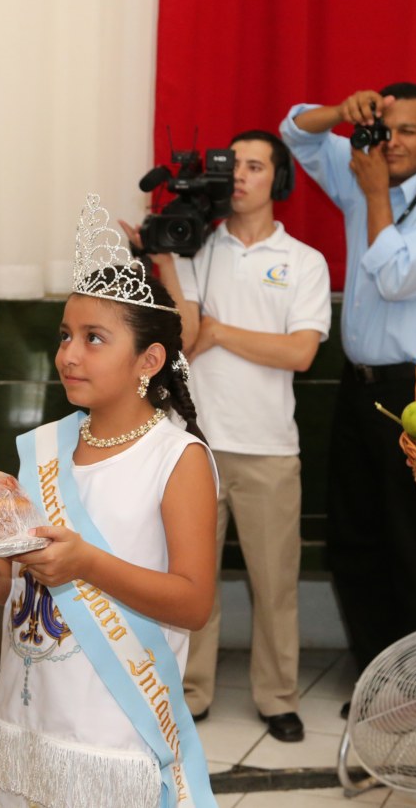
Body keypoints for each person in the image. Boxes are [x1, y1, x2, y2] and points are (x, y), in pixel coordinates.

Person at [0, 195, 219, 807]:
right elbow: (26, 575)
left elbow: (193, 603)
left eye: (94, 338)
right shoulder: (43, 448)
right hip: (27, 715)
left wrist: (86, 563)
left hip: (112, 726)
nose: (69, 354)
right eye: (65, 336)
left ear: (149, 360)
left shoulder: (176, 458)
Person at [122, 130, 330, 742]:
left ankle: (278, 696)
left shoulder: (304, 260)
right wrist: (165, 261)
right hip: (194, 446)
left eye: (256, 166)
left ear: (278, 180)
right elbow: (184, 340)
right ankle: (192, 691)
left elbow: (300, 352)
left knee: (276, 584)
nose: (240, 175)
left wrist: (221, 332)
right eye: (233, 164)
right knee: (192, 581)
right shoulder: (196, 248)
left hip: (270, 448)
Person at [280, 84, 416, 689]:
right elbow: (296, 131)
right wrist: (342, 113)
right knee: (354, 536)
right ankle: (377, 681)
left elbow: (396, 276)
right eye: (384, 130)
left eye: (408, 132)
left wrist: (372, 195)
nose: (391, 143)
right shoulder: (365, 167)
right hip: (359, 386)